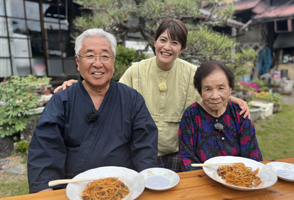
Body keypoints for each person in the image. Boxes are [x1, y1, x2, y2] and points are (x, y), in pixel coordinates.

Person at [53, 19, 250, 172]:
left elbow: (210, 93)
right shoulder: (136, 70)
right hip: (138, 153)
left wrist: (231, 98)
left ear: (182, 48)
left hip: (177, 152)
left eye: (175, 42)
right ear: (154, 42)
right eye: (162, 40)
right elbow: (109, 95)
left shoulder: (193, 73)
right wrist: (81, 84)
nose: (167, 47)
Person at [27, 28, 158, 193]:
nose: (98, 63)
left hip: (124, 189)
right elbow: (44, 152)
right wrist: (45, 192)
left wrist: (143, 184)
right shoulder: (62, 101)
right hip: (74, 192)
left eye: (105, 56)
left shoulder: (132, 99)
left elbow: (145, 147)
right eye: (89, 56)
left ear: (113, 60)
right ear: (77, 61)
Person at [178, 60, 262, 172]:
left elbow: (253, 155)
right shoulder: (191, 115)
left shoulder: (239, 113)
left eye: (221, 88)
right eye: (208, 89)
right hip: (203, 180)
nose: (215, 96)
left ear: (230, 89)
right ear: (200, 92)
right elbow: (186, 159)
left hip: (237, 180)